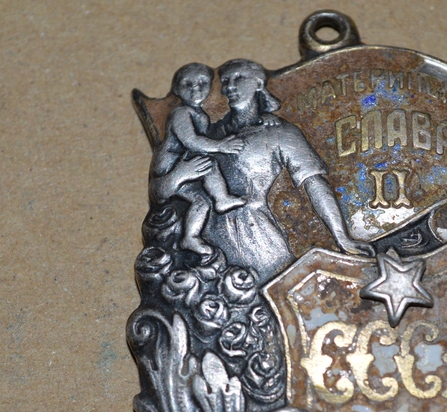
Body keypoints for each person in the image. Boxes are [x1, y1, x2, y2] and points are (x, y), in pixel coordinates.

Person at [164, 59, 374, 282]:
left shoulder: (280, 132)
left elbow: (314, 184)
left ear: (258, 84)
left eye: (239, 78)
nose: (230, 87)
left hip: (256, 236)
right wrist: (177, 176)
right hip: (207, 242)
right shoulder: (210, 135)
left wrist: (342, 237)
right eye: (225, 81)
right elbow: (161, 191)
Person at [150, 63, 246, 256]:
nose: (196, 88)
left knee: (201, 203)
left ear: (210, 86)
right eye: (188, 83)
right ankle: (222, 198)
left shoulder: (199, 113)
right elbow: (191, 141)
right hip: (169, 166)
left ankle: (190, 237)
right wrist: (220, 146)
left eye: (202, 83)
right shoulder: (181, 112)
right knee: (209, 164)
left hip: (182, 163)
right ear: (177, 89)